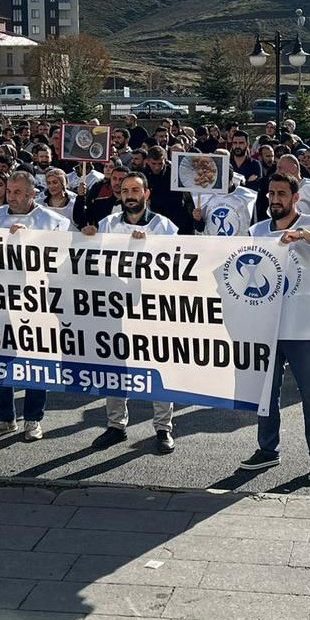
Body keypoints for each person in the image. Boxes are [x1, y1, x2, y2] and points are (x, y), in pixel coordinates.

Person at [237, 171, 310, 483]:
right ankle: (267, 450)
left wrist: (305, 236)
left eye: (282, 194)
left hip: (303, 324)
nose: (275, 199)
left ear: (296, 197)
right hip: (265, 323)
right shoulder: (257, 229)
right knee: (264, 392)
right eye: (271, 194)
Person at [0, 170, 70, 441]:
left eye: (18, 192)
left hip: (37, 303)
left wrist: (32, 240)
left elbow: (63, 260)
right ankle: (4, 417)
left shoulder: (53, 221)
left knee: (36, 361)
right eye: (9, 191)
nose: (11, 197)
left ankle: (33, 419)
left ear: (32, 194)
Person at [86, 172, 179, 452]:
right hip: (116, 306)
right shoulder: (107, 224)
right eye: (125, 190)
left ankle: (163, 428)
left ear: (146, 194)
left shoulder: (164, 226)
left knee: (159, 366)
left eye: (136, 190)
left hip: (153, 309)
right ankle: (116, 425)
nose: (130, 195)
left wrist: (147, 247)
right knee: (115, 366)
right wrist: (88, 239)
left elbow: (177, 267)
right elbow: (92, 261)